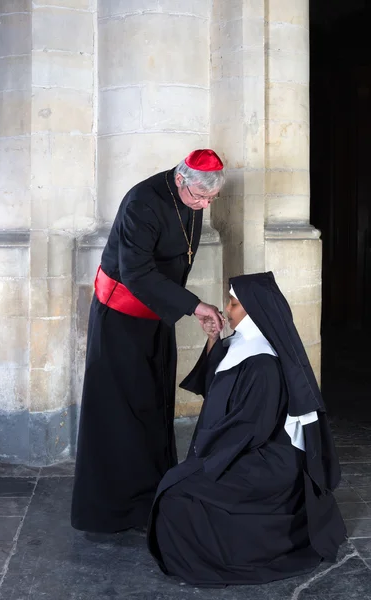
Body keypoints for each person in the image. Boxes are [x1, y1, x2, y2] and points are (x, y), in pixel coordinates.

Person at [147, 272, 346, 587]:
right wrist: (213, 338)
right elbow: (214, 383)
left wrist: (207, 457)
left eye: (234, 303)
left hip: (270, 459)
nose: (227, 309)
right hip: (245, 447)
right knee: (177, 485)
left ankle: (212, 558)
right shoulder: (241, 343)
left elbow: (253, 428)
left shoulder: (264, 364)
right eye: (229, 301)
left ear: (255, 311)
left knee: (179, 496)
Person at [71, 149, 226, 535]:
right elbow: (136, 273)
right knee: (121, 413)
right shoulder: (143, 201)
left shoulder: (192, 195)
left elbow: (179, 257)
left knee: (153, 404)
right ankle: (114, 509)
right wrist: (194, 306)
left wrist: (183, 306)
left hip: (156, 315)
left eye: (210, 200)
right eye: (200, 198)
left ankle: (152, 492)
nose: (204, 206)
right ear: (180, 179)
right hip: (120, 320)